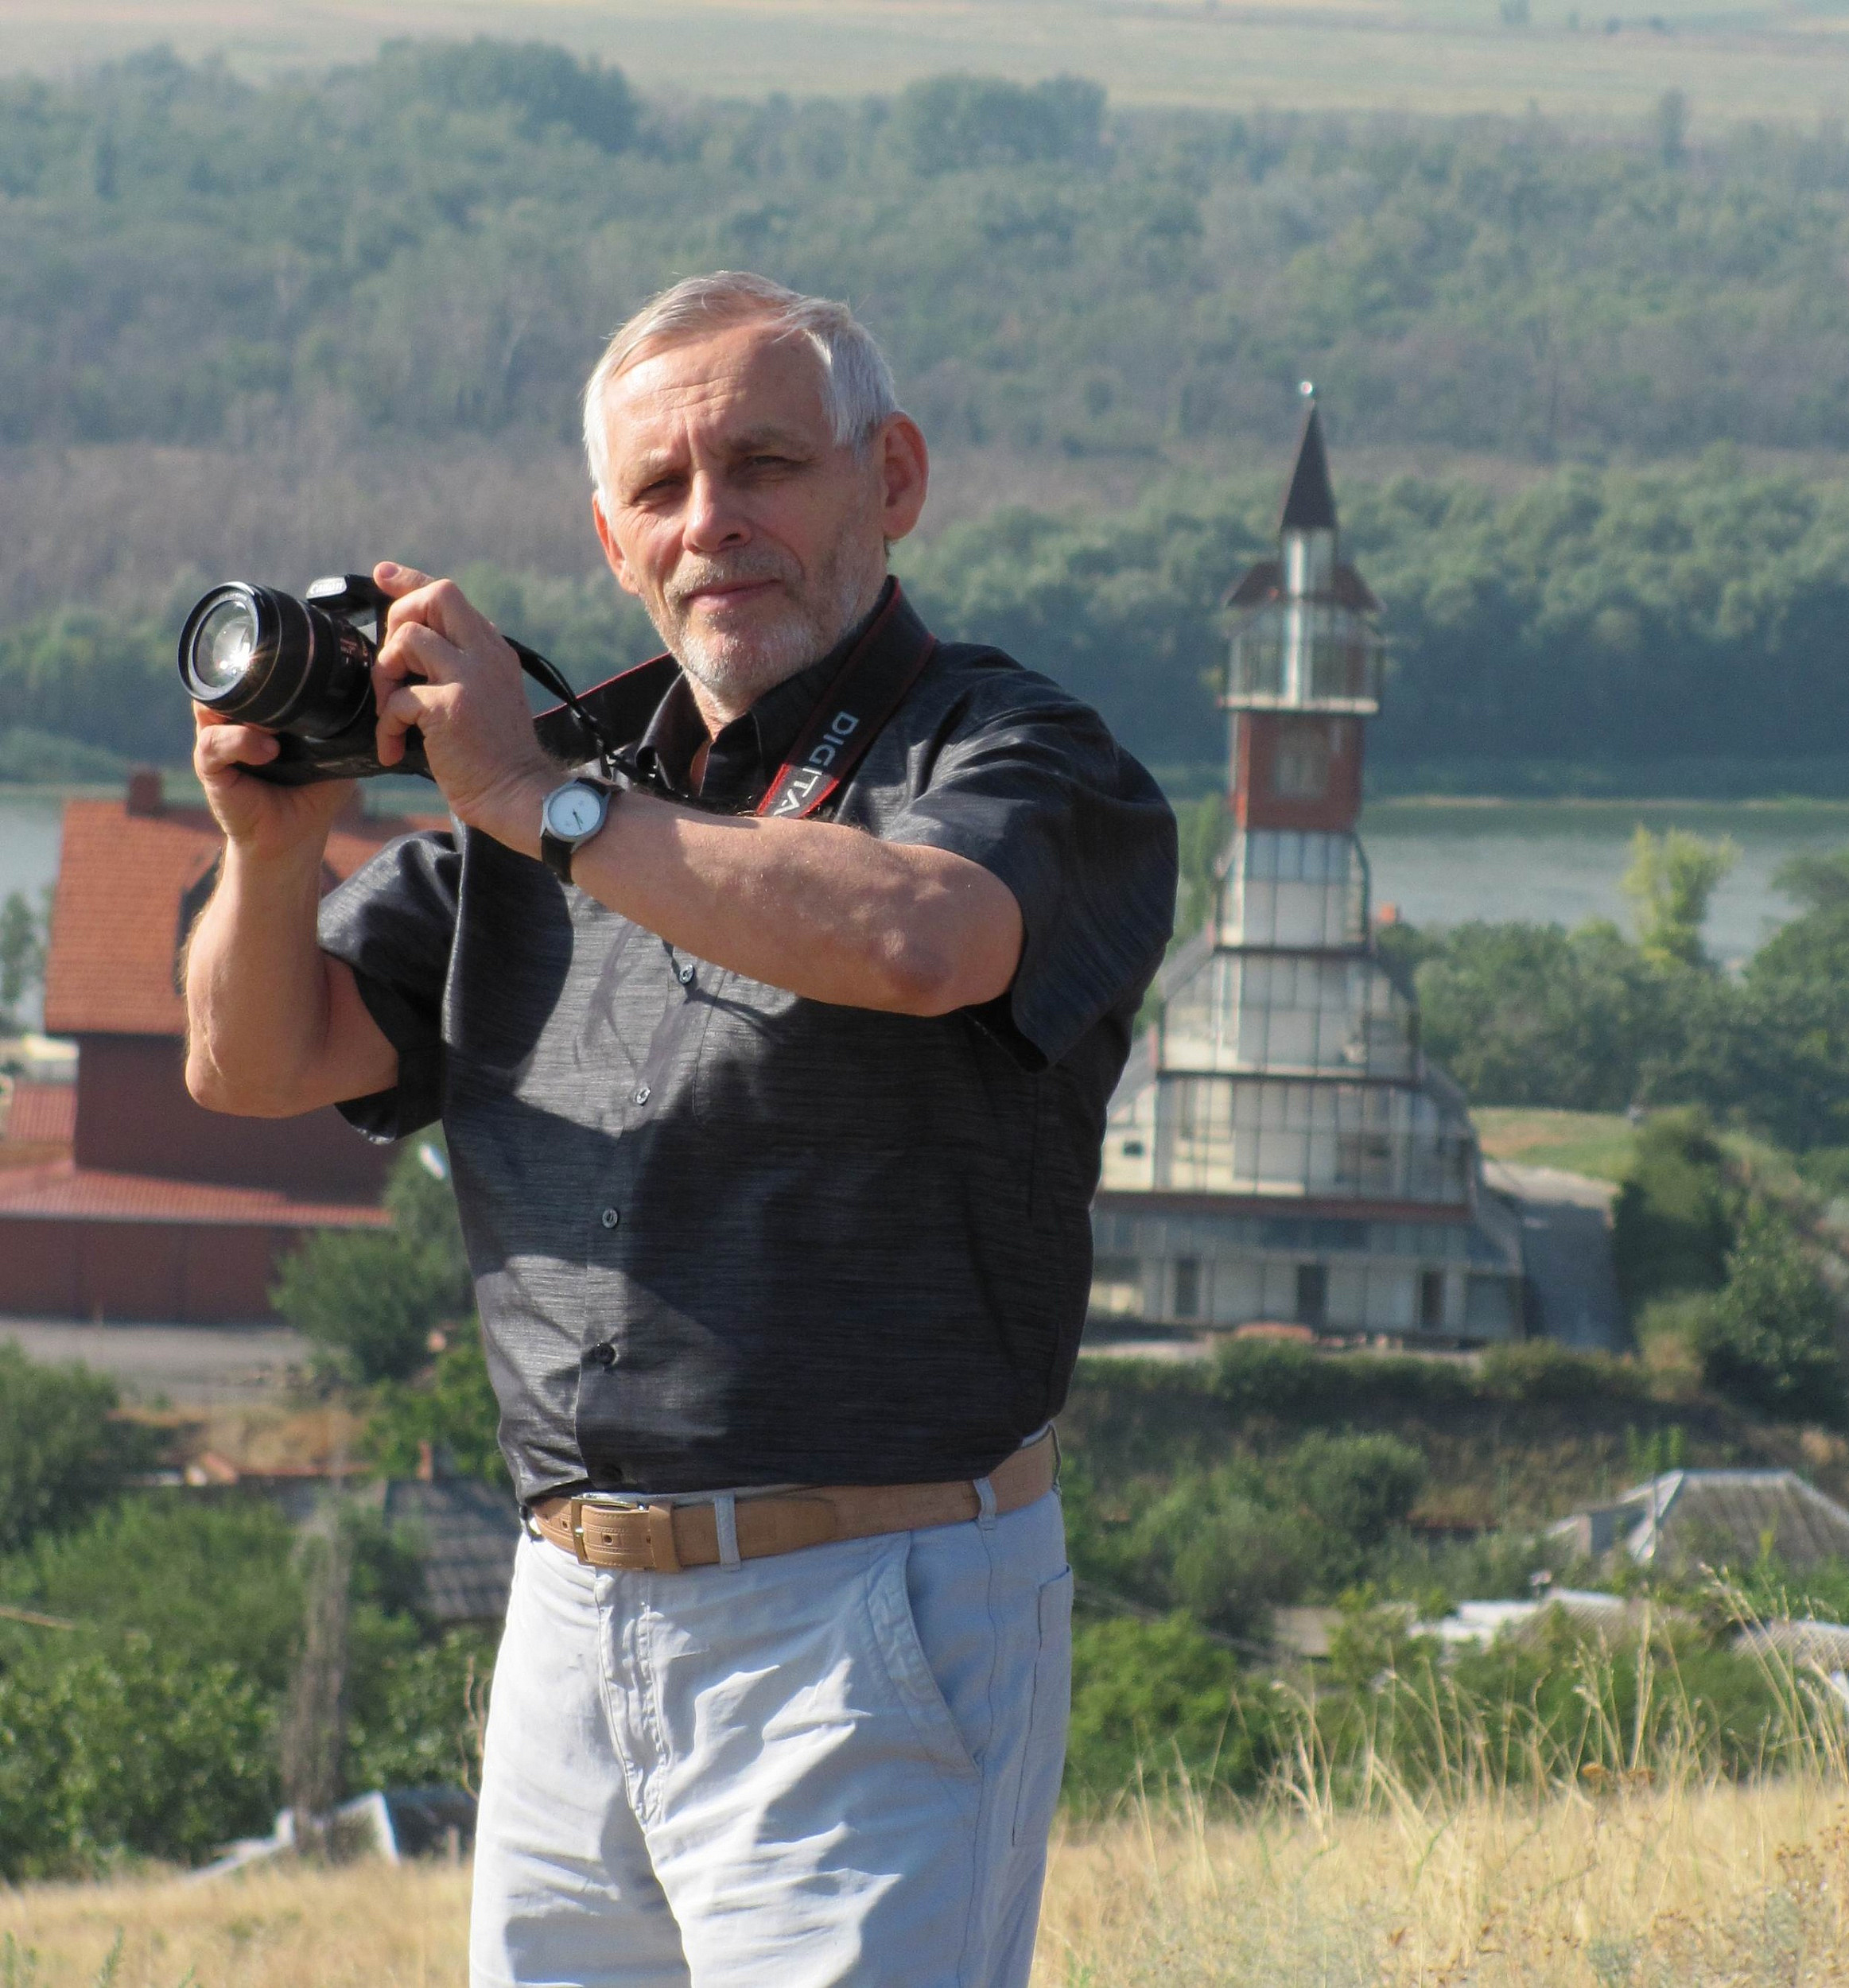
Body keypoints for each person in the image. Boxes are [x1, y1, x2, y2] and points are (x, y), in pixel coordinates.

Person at [183, 271, 1177, 1987]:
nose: (713, 522)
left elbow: (923, 937)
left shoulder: (1012, 751)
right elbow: (255, 1062)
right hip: (574, 1607)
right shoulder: (558, 778)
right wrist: (275, 844)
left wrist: (545, 804)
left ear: (894, 479)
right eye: (660, 489)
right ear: (608, 539)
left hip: (871, 1598)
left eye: (766, 464)